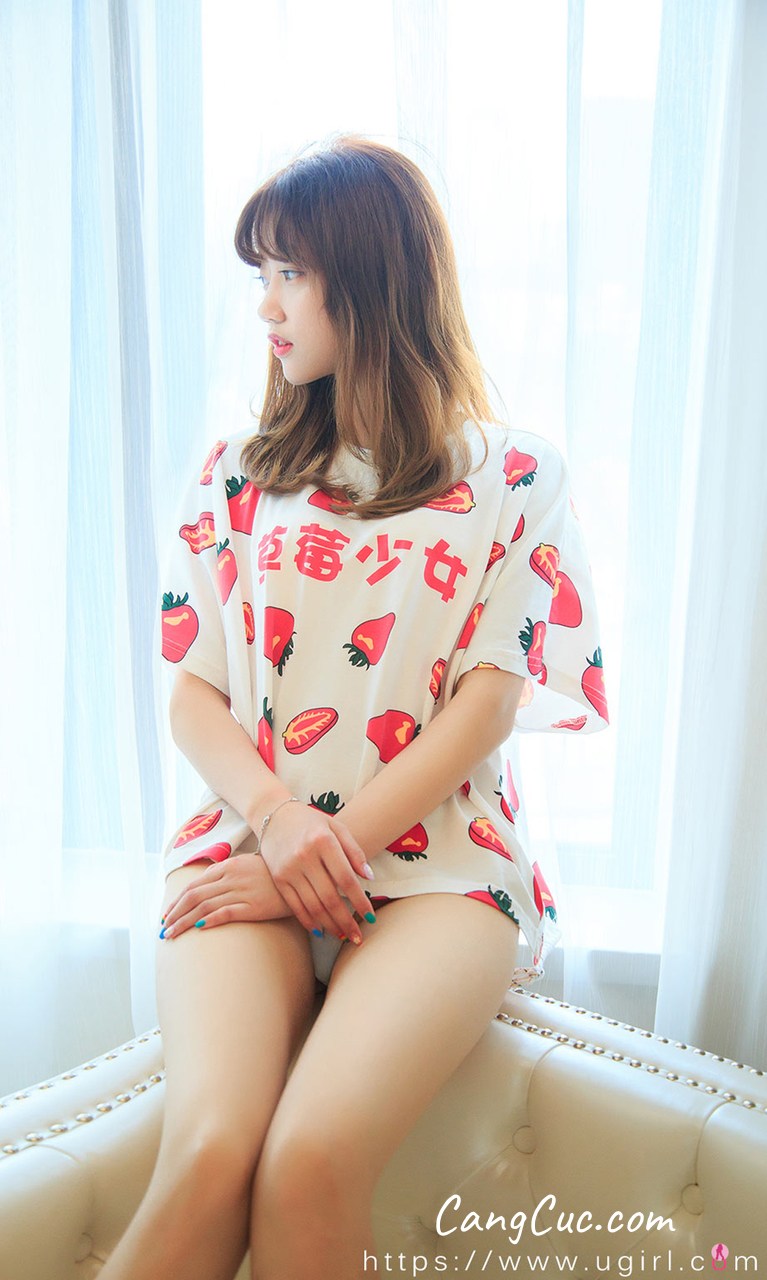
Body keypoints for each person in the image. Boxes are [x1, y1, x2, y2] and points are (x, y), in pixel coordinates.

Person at [102, 134, 609, 1280]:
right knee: (211, 1151)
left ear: (371, 279)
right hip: (247, 840)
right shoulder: (237, 470)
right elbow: (193, 693)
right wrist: (281, 825)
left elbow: (482, 710)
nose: (266, 307)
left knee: (310, 1161)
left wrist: (320, 851)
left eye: (290, 273)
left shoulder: (514, 477)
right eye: (261, 276)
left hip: (440, 864)